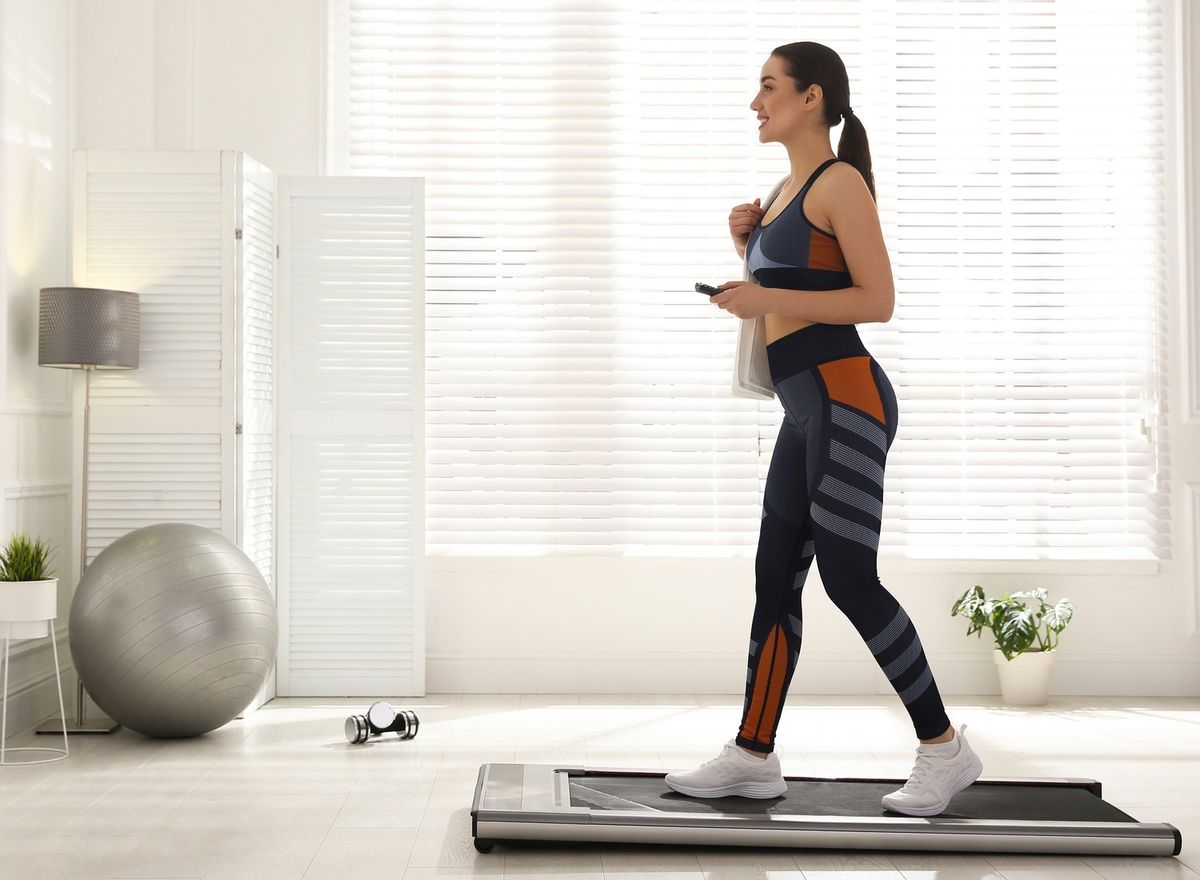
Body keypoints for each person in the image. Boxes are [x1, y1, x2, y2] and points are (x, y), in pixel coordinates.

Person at [665, 41, 983, 817]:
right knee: (776, 580)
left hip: (848, 400)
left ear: (812, 98)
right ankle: (752, 755)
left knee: (848, 578)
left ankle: (945, 751)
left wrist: (760, 294)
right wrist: (747, 245)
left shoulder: (840, 182)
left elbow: (876, 301)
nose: (756, 102)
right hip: (805, 408)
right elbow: (803, 280)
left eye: (769, 87)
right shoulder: (785, 188)